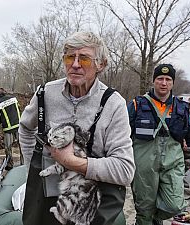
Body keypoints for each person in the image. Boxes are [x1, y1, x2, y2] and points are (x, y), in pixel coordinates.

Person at [19, 31, 135, 225]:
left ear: (101, 65)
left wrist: (72, 162)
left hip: (91, 204)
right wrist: (32, 170)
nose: (75, 65)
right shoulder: (46, 93)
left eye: (85, 59)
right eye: (70, 57)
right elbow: (25, 128)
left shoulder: (114, 104)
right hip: (48, 200)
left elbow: (124, 170)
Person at [127, 64, 190, 225]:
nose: (164, 83)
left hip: (172, 164)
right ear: (154, 81)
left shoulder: (182, 108)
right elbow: (120, 135)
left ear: (172, 83)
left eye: (168, 79)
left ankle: (156, 217)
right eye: (160, 79)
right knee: (144, 210)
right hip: (143, 167)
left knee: (174, 205)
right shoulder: (136, 105)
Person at [0, 87, 22, 170]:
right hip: (19, 125)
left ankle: (10, 164)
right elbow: (19, 108)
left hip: (8, 128)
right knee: (21, 145)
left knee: (8, 147)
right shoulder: (14, 98)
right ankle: (23, 163)